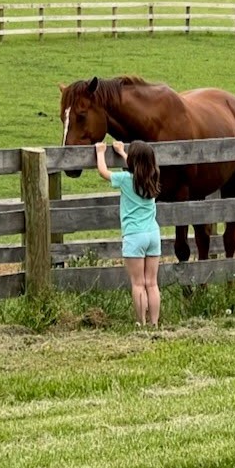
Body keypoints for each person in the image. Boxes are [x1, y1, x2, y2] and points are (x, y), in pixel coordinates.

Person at [95, 139, 162, 327]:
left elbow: (104, 172)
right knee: (152, 283)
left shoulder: (126, 180)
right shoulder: (153, 176)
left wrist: (101, 152)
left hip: (134, 235)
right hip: (153, 234)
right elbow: (138, 166)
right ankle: (154, 323)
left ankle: (140, 322)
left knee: (138, 283)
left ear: (132, 161)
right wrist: (123, 152)